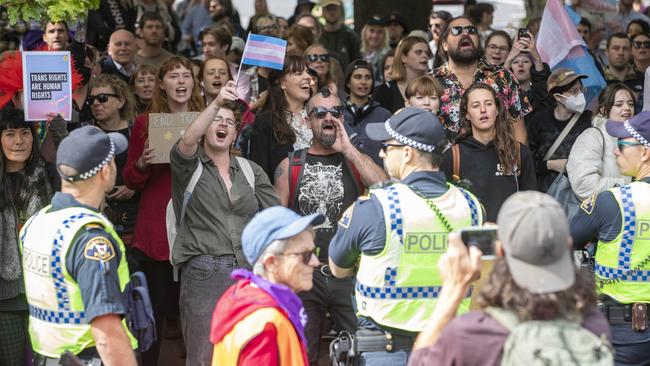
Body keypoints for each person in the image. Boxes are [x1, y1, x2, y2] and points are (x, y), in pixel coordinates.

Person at [328, 108, 484, 365]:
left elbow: (338, 268)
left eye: (387, 147)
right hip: (452, 350)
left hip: (387, 352)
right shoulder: (471, 205)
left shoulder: (375, 207)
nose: (381, 153)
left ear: (408, 153)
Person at [409, 191, 612, 366]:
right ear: (567, 244)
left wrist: (453, 289)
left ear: (499, 250)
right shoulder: (593, 325)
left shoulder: (472, 334)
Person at [274, 88, 386, 365]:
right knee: (301, 354)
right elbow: (275, 227)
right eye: (319, 112)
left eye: (336, 112)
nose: (328, 117)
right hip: (305, 277)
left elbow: (387, 189)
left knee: (362, 353)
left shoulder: (357, 160)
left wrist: (348, 150)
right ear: (307, 121)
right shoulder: (290, 165)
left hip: (349, 275)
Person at [172, 80, 278, 365]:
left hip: (246, 272)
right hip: (203, 273)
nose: (222, 125)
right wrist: (217, 103)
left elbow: (276, 217)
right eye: (216, 120)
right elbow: (187, 141)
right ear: (205, 126)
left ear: (235, 134)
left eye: (229, 123)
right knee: (205, 356)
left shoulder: (250, 170)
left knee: (246, 354)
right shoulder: (188, 167)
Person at [21, 126, 138, 366]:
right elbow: (107, 334)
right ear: (106, 171)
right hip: (89, 357)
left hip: (46, 357)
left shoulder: (37, 222)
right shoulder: (90, 240)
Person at [123, 56, 205, 366]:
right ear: (162, 84)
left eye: (187, 75)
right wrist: (143, 162)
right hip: (157, 230)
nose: (182, 81)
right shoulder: (146, 123)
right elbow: (130, 178)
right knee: (155, 314)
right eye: (174, 76)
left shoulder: (205, 120)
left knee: (195, 314)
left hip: (197, 227)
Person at [570, 110, 650, 365]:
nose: (616, 151)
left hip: (622, 333)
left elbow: (566, 240)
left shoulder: (612, 201)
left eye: (622, 145)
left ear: (645, 153)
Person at [210, 206, 322, 366]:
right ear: (271, 263)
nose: (315, 262)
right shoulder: (265, 325)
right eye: (305, 255)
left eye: (314, 252)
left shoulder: (245, 299)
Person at [0, 107, 56, 366]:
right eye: (10, 133)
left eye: (25, 132)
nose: (19, 141)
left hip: (44, 291)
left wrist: (57, 126)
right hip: (5, 297)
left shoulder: (47, 175)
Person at [441, 83, 537, 222]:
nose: (483, 110)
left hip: (510, 237)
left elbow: (532, 204)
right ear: (467, 114)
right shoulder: (453, 156)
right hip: (470, 238)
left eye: (488, 104)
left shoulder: (518, 153)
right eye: (475, 105)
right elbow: (446, 208)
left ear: (497, 110)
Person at [433, 16, 529, 144]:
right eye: (457, 30)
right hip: (449, 162)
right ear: (445, 45)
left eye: (471, 30)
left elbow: (518, 131)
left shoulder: (503, 76)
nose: (465, 34)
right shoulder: (431, 82)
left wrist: (517, 163)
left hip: (498, 162)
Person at [87, 74, 139, 246]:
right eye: (92, 99)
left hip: (134, 219)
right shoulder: (85, 132)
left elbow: (152, 170)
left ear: (121, 101)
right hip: (96, 219)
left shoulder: (138, 131)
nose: (96, 103)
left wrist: (134, 186)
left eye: (102, 98)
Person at [249, 55, 313, 182]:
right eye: (298, 73)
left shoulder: (319, 115)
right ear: (282, 83)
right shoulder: (266, 121)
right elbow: (260, 172)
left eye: (307, 72)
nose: (307, 77)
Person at [527, 68, 592, 192]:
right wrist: (552, 165)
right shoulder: (539, 120)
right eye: (573, 91)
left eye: (581, 90)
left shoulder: (588, 119)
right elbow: (527, 162)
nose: (580, 95)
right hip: (547, 193)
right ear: (558, 97)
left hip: (579, 191)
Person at [567, 83, 634, 200]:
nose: (627, 108)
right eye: (619, 104)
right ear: (603, 109)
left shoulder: (637, 137)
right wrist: (629, 186)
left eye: (631, 104)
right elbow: (583, 184)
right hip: (606, 214)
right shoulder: (592, 136)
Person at [343, 59, 391, 165]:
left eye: (368, 77)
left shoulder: (384, 115)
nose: (364, 82)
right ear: (348, 83)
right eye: (358, 77)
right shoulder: (337, 113)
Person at [374, 36, 430, 113]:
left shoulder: (433, 86)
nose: (425, 56)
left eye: (427, 53)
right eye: (418, 52)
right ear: (403, 58)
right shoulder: (385, 90)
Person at [503, 29, 553, 112]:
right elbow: (498, 87)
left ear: (533, 67)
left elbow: (545, 97)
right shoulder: (508, 95)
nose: (520, 65)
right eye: (515, 62)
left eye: (526, 61)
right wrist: (509, 59)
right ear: (510, 68)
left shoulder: (539, 93)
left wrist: (537, 58)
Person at [198, 26, 251, 103]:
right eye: (204, 45)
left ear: (225, 46)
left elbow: (240, 105)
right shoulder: (197, 69)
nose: (206, 50)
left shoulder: (239, 74)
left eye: (211, 44)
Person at [319, 0, 361, 68]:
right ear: (323, 12)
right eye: (328, 9)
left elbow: (357, 62)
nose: (331, 12)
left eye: (334, 9)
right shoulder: (318, 36)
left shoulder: (350, 36)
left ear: (340, 10)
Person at [361, 16, 390, 86]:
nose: (375, 36)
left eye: (379, 32)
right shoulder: (360, 54)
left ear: (385, 35)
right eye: (371, 31)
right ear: (365, 32)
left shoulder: (388, 56)